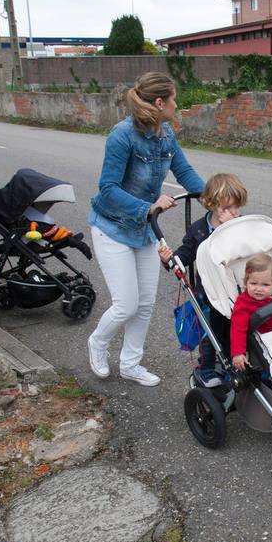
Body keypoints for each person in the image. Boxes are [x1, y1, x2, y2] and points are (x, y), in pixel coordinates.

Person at [85, 72, 205, 386]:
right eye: (173, 99)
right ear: (159, 102)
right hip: (112, 226)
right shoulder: (122, 135)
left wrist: (215, 199)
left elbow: (184, 171)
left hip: (144, 230)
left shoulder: (166, 135)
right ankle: (98, 342)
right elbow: (108, 188)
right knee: (126, 303)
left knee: (146, 303)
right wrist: (147, 208)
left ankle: (130, 364)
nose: (177, 105)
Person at [158, 172, 247, 386]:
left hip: (237, 291)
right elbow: (186, 252)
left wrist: (230, 227)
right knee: (210, 335)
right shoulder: (199, 229)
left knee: (234, 332)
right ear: (213, 205)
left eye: (237, 207)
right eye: (227, 208)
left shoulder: (241, 225)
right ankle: (207, 369)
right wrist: (170, 259)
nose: (234, 213)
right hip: (209, 294)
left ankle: (235, 364)